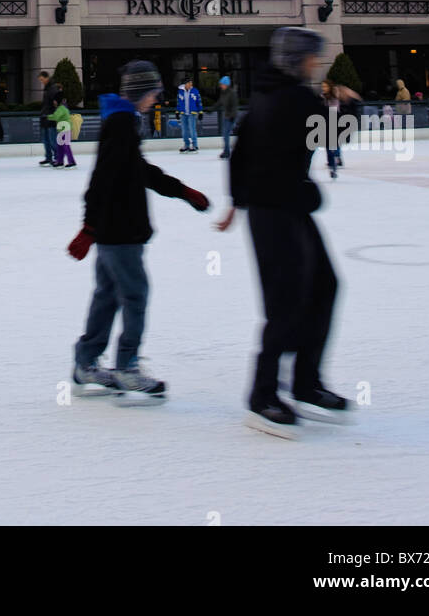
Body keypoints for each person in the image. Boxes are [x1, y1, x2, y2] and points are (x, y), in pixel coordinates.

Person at [217, 26, 351, 437]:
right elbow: (331, 137)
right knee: (289, 300)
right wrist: (349, 109)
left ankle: (305, 383)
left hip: (278, 208)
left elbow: (241, 152)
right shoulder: (293, 96)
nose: (318, 63)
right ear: (299, 60)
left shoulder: (267, 94)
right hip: (278, 211)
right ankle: (263, 396)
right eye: (313, 57)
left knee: (322, 286)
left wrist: (237, 203)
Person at [69, 60, 210, 399]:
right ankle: (127, 366)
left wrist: (181, 190)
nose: (157, 98)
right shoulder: (120, 124)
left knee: (108, 295)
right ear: (140, 93)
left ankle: (86, 362)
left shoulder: (124, 122)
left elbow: (138, 170)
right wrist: (89, 228)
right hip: (119, 231)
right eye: (154, 92)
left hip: (113, 229)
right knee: (134, 295)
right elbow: (102, 179)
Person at [38, 71, 63, 166]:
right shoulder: (47, 88)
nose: (41, 82)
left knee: (52, 140)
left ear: (46, 77)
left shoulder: (53, 88)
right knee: (45, 140)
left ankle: (58, 158)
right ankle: (48, 157)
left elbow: (59, 100)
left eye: (42, 79)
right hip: (45, 117)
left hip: (51, 118)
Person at [214, 76, 238, 160]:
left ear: (226, 84)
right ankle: (226, 151)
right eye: (220, 84)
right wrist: (213, 108)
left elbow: (234, 106)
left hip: (231, 117)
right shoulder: (223, 93)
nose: (221, 86)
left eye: (222, 84)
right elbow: (220, 102)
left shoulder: (232, 93)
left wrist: (232, 116)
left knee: (226, 135)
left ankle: (227, 152)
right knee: (225, 135)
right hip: (226, 116)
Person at [176, 76, 202, 152]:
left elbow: (199, 102)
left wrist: (200, 112)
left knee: (192, 130)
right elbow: (179, 103)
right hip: (183, 113)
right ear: (185, 84)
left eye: (191, 82)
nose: (191, 84)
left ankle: (195, 145)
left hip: (192, 113)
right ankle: (186, 145)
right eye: (189, 82)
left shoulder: (195, 91)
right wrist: (177, 112)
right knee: (184, 131)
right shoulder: (180, 92)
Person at [51, 95, 77, 168]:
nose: (54, 102)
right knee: (60, 145)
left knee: (65, 146)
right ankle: (60, 161)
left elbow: (55, 117)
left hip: (65, 128)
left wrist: (47, 116)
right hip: (62, 128)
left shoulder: (61, 108)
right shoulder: (61, 107)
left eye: (55, 100)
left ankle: (71, 162)